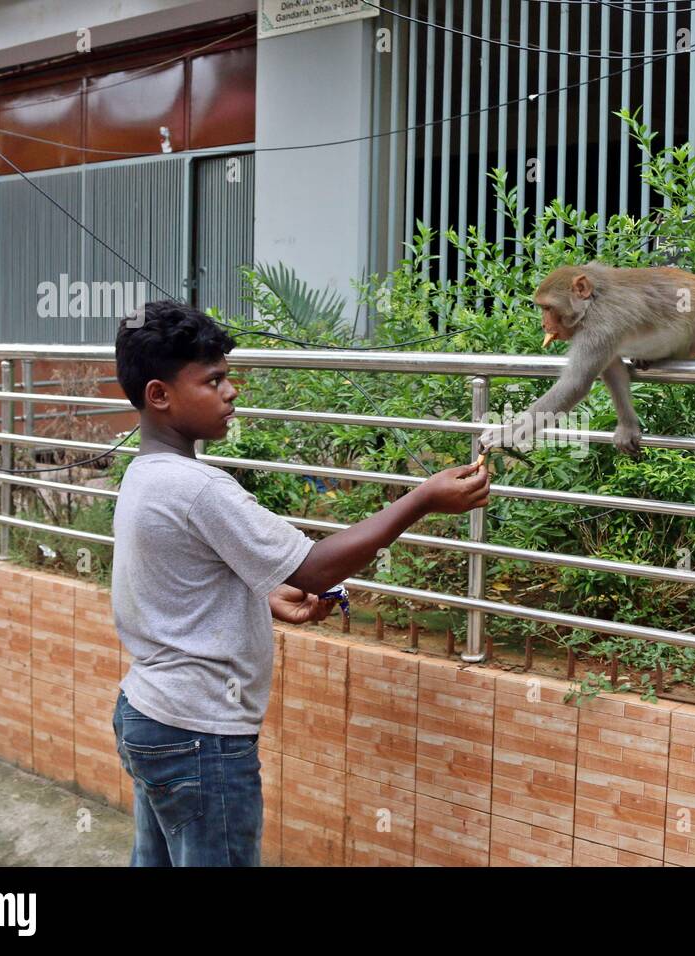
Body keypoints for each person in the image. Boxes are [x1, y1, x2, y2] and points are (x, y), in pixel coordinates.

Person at [109, 300, 489, 866]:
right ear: (160, 395)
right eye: (212, 381)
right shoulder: (198, 487)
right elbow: (316, 569)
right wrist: (422, 500)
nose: (231, 391)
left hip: (150, 715)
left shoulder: (145, 476)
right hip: (199, 735)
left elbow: (181, 581)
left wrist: (260, 594)